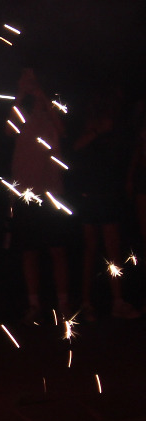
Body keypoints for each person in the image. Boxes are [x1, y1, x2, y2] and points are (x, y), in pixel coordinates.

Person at [69, 90, 140, 319]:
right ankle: (86, 302)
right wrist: (98, 130)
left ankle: (116, 301)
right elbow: (75, 147)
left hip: (108, 193)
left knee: (112, 248)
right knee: (90, 249)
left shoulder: (118, 129)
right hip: (90, 194)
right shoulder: (90, 126)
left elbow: (126, 154)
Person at [7, 70, 72, 321]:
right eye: (24, 79)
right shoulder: (20, 110)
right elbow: (8, 130)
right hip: (25, 190)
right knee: (29, 250)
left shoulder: (51, 107)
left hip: (51, 189)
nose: (28, 83)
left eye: (32, 79)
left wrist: (43, 98)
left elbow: (63, 130)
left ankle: (63, 303)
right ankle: (34, 304)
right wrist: (20, 96)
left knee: (57, 249)